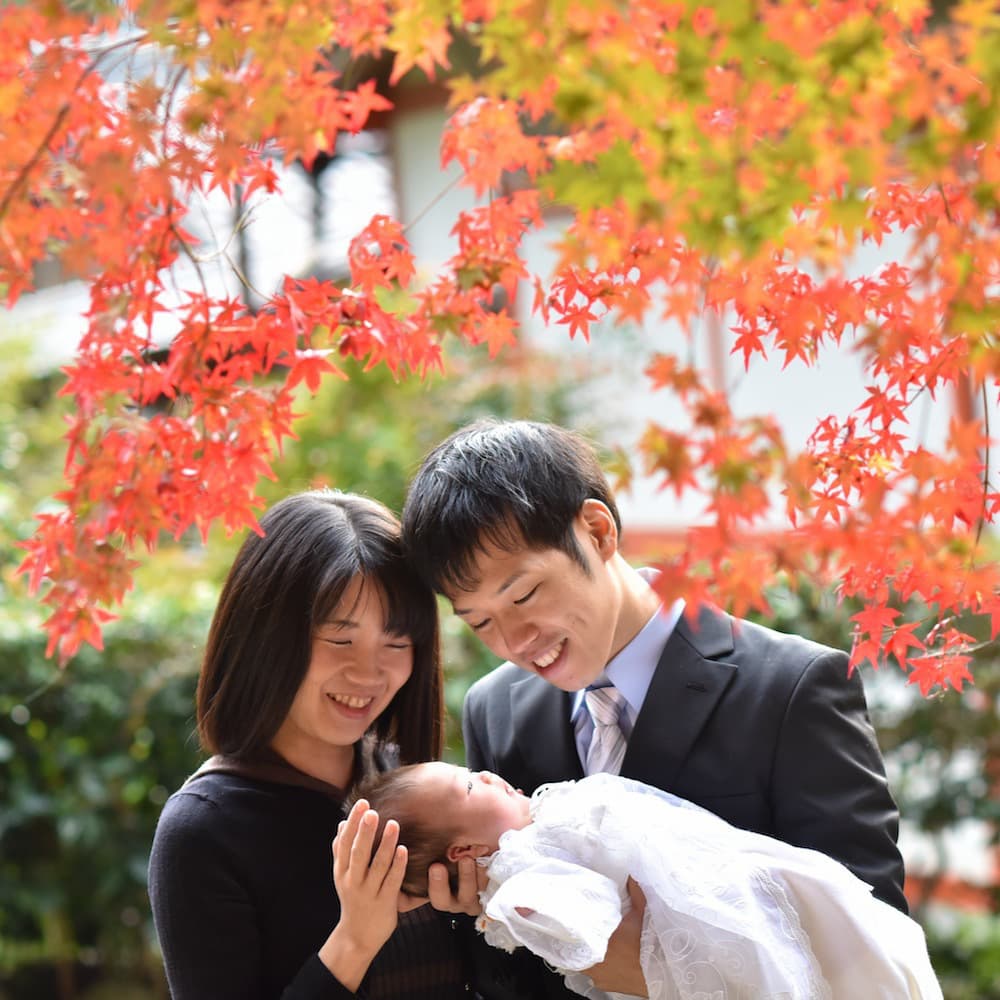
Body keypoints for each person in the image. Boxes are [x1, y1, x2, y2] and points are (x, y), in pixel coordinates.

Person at [401, 418, 908, 997]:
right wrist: (485, 912)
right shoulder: (497, 708)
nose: (516, 641)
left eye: (524, 594)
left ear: (596, 531)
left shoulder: (792, 687)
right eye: (482, 622)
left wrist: (650, 975)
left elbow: (873, 944)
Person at [148, 489, 538, 1000]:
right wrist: (354, 939)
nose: (369, 672)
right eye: (340, 638)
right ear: (266, 637)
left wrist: (489, 913)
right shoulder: (204, 834)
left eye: (397, 643)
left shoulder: (409, 785)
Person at [357, 762, 942, 1000]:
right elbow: (579, 923)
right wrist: (504, 911)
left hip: (741, 876)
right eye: (468, 787)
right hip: (712, 925)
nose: (485, 773)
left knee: (843, 928)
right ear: (464, 850)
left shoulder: (544, 816)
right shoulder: (520, 874)